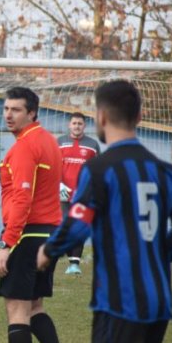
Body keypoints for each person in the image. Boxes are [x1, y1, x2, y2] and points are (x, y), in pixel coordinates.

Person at [37, 80, 172, 343]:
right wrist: (158, 256)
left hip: (120, 299)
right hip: (158, 299)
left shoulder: (100, 169)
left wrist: (48, 251)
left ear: (100, 117)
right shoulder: (165, 171)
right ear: (140, 116)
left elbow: (78, 223)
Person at [0, 86, 76, 343]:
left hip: (26, 235)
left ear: (32, 113)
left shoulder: (26, 146)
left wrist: (6, 242)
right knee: (35, 306)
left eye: (16, 110)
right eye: (6, 109)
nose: (8, 115)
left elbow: (23, 197)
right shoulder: (49, 142)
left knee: (16, 309)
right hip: (48, 234)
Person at [57, 112, 100, 276]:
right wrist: (58, 183)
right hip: (63, 193)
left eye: (80, 123)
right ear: (69, 125)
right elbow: (54, 165)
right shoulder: (60, 142)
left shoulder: (92, 145)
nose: (76, 126)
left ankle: (74, 264)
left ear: (84, 126)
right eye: (74, 123)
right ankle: (68, 257)